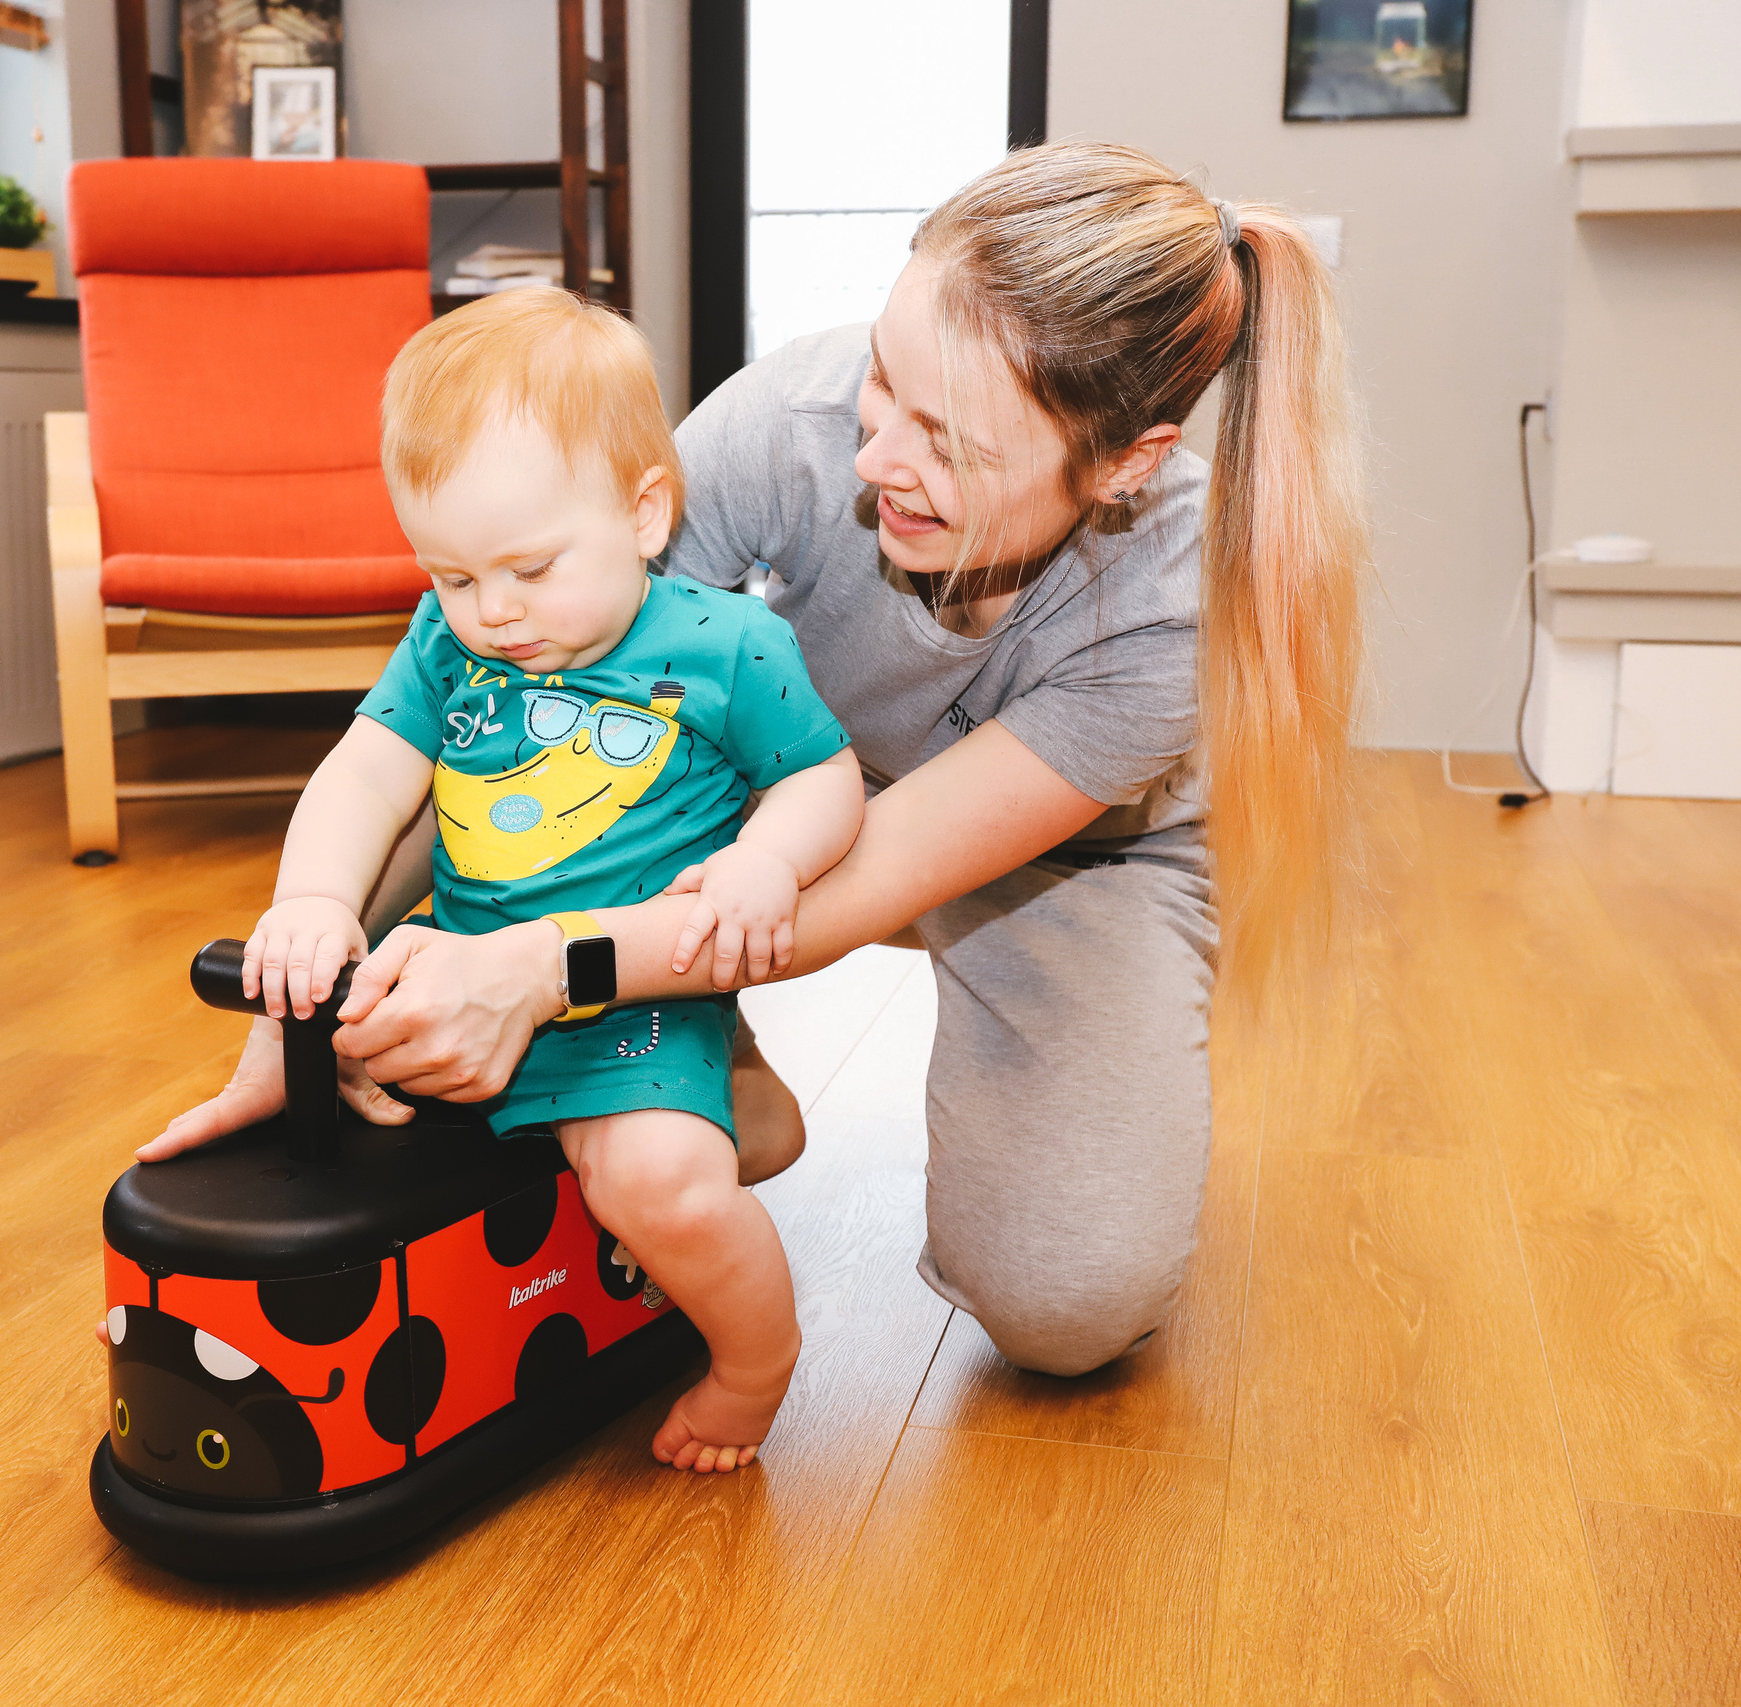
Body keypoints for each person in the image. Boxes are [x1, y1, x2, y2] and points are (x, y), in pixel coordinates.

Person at [146, 141, 1364, 1382]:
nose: (878, 455)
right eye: (886, 380)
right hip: (764, 795)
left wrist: (535, 972)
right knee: (517, 704)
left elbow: (840, 894)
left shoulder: (1172, 606)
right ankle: (703, 1052)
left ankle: (667, 1022)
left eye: (951, 446)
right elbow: (501, 711)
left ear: (1123, 466)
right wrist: (296, 1014)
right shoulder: (791, 421)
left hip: (1060, 862)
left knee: (1066, 1307)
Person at [159, 289, 865, 1472]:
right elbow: (364, 777)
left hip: (632, 1005)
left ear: (645, 514)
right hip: (456, 972)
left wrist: (765, 860)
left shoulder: (726, 646)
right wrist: (316, 901)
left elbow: (828, 778)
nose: (491, 612)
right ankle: (212, 1344)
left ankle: (756, 1361)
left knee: (658, 1190)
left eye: (529, 569)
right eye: (450, 575)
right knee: (312, 1102)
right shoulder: (453, 643)